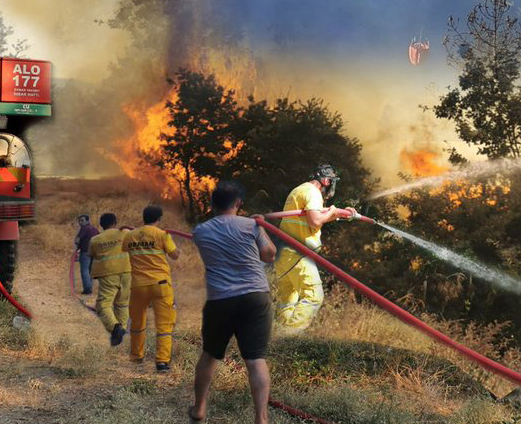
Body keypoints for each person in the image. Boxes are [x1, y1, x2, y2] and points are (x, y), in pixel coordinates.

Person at [190, 182, 277, 424]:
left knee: (209, 355)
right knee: (256, 359)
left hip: (220, 300)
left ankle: (199, 409)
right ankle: (261, 419)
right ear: (239, 203)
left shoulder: (200, 231)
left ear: (211, 204)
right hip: (255, 298)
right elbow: (269, 254)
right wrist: (261, 227)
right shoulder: (252, 225)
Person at [274, 163, 353, 333]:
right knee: (313, 296)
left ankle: (277, 338)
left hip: (284, 253)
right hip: (298, 253)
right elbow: (316, 221)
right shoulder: (313, 192)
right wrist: (332, 213)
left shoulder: (300, 190)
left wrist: (340, 214)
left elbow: (314, 215)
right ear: (325, 181)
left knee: (287, 299)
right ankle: (287, 337)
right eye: (331, 182)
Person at [124, 204, 179, 371]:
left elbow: (124, 249)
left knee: (138, 322)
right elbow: (175, 256)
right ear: (159, 219)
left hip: (138, 286)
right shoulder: (162, 234)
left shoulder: (130, 236)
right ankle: (162, 362)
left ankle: (136, 356)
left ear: (143, 217)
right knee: (164, 324)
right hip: (160, 285)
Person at [89, 212, 132, 346]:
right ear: (115, 222)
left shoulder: (96, 239)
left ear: (101, 225)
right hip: (127, 272)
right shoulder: (125, 234)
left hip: (108, 274)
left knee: (103, 305)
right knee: (122, 303)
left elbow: (91, 254)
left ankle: (115, 328)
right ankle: (121, 329)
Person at [74, 214, 100, 295]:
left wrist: (77, 245)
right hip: (94, 252)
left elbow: (77, 240)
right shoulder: (94, 229)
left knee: (84, 270)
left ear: (87, 221)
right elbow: (99, 238)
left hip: (85, 252)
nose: (80, 222)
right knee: (90, 271)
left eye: (82, 220)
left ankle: (87, 289)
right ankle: (89, 288)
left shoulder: (84, 228)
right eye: (79, 221)